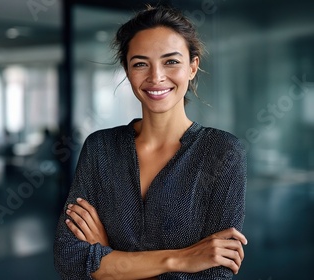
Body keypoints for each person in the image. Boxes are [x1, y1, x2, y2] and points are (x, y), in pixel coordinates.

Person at [53, 5, 247, 280]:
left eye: (171, 61)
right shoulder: (100, 148)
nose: (156, 77)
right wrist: (179, 259)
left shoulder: (222, 152)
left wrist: (107, 256)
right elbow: (70, 260)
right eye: (141, 63)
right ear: (127, 70)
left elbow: (215, 274)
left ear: (193, 66)